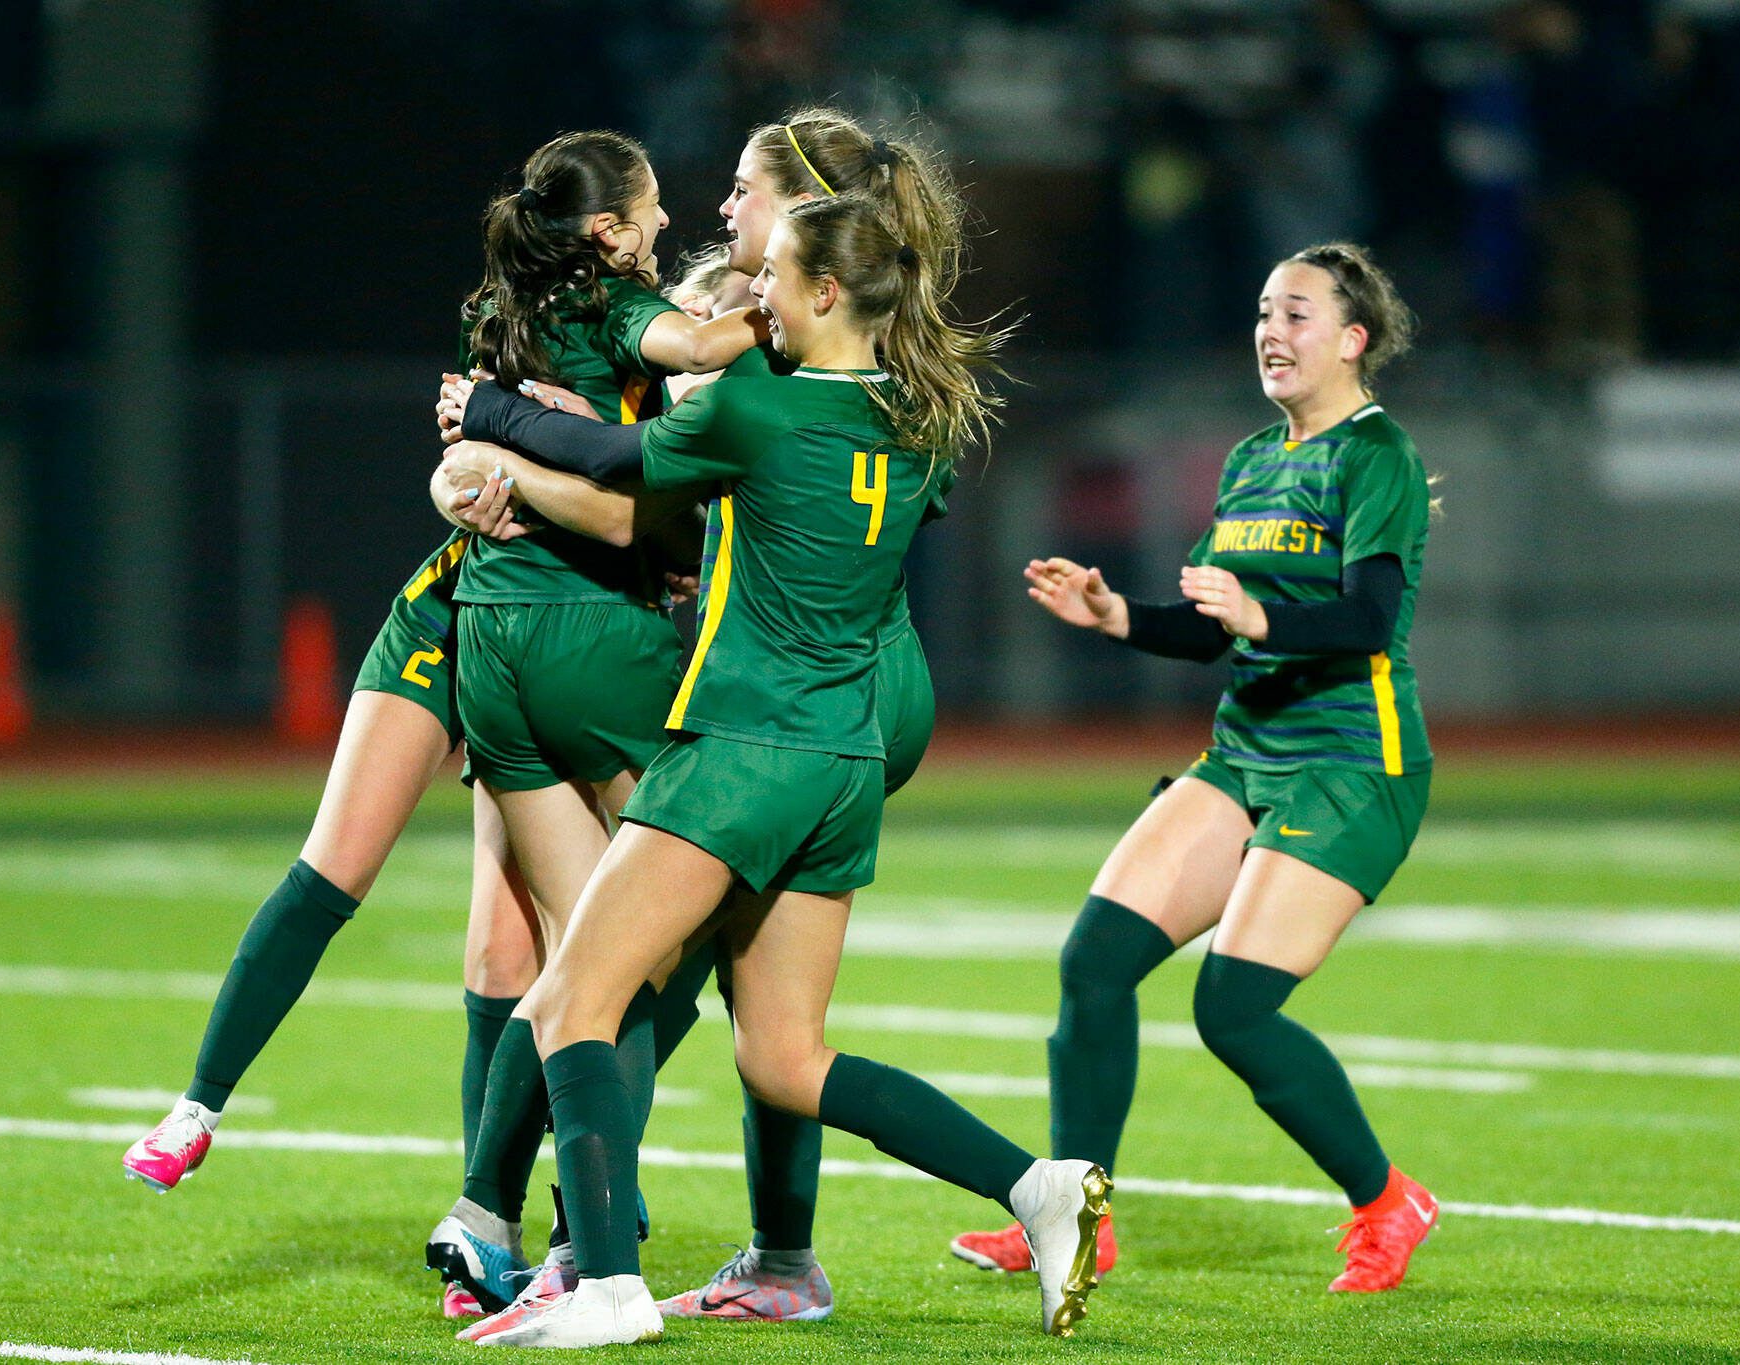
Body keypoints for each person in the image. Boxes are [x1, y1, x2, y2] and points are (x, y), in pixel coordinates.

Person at [442, 191, 1108, 1349]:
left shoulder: (761, 400)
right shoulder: (917, 418)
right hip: (845, 760)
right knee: (785, 1057)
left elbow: (612, 455)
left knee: (567, 1003)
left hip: (746, 744)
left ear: (824, 293)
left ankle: (603, 1288)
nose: (756, 296)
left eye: (774, 280)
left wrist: (490, 411)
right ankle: (1034, 1189)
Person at [120, 129, 756, 1321]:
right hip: (514, 622)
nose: (677, 228)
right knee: (574, 942)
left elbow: (564, 486)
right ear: (612, 232)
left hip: (497, 617)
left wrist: (502, 445)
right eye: (660, 210)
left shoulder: (557, 335)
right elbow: (552, 484)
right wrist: (496, 460)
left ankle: (487, 1216)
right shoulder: (640, 332)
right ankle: (537, 1209)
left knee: (503, 945)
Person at [950, 241, 1438, 1294]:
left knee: (1232, 1010)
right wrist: (1115, 613)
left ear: (1353, 340)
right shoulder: (1251, 459)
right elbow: (1216, 634)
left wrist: (1261, 612)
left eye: (1298, 314)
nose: (1272, 330)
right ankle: (1077, 1220)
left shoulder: (1375, 454)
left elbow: (1369, 617)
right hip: (1246, 749)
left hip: (1352, 762)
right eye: (1264, 310)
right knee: (1092, 965)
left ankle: (1386, 1201)